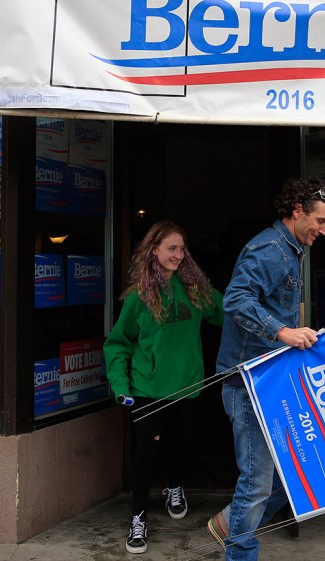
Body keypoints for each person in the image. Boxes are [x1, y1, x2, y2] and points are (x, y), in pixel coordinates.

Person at [208, 177, 325, 561]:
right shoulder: (269, 250)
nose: (324, 231)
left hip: (272, 380)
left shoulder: (292, 248)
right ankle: (240, 551)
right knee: (258, 481)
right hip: (248, 383)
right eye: (320, 221)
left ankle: (233, 522)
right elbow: (235, 299)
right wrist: (283, 332)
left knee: (293, 478)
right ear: (297, 211)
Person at [103, 221, 224, 555]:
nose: (178, 255)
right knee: (146, 454)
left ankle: (174, 485)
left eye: (182, 249)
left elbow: (229, 314)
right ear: (153, 250)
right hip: (147, 388)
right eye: (172, 248)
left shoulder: (197, 291)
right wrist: (121, 385)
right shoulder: (138, 297)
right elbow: (117, 344)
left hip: (188, 386)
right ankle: (138, 519)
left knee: (183, 446)